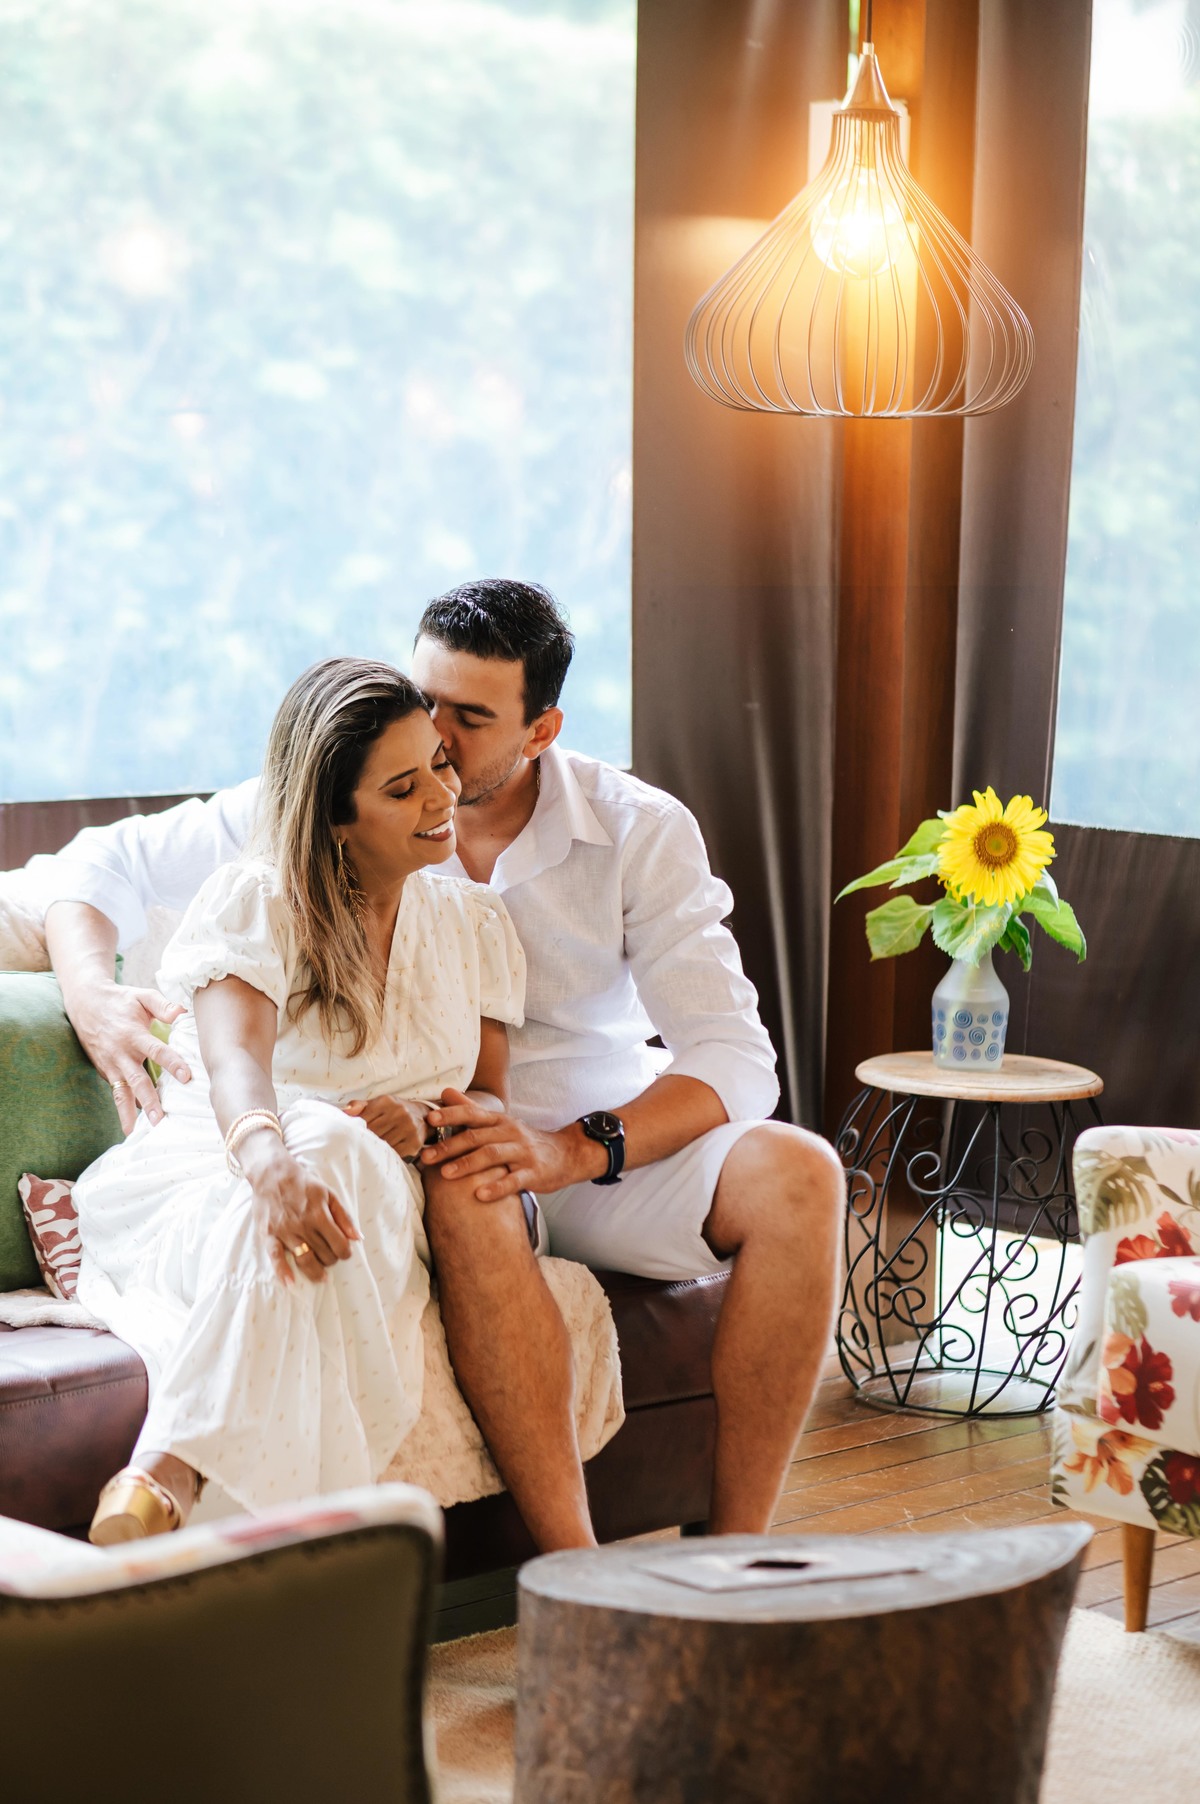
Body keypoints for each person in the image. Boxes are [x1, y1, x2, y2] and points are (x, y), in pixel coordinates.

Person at [30, 580, 844, 1536]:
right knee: (460, 1173)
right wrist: (91, 996)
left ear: (542, 731)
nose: (438, 742)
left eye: (470, 718)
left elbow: (734, 1056)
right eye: (428, 700)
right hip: (432, 1149)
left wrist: (574, 1149)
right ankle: (562, 1565)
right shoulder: (344, 775)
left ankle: (737, 1559)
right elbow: (100, 865)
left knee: (802, 1173)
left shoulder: (635, 829)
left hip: (590, 1153)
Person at [72, 658, 593, 1549]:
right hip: (224, 1168)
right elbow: (234, 1061)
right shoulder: (259, 899)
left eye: (439, 763)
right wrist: (271, 1163)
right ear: (335, 821)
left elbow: (486, 1098)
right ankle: (221, 1527)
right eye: (402, 787)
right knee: (324, 1139)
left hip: (380, 1194)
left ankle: (167, 1475)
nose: (442, 795)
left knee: (344, 1148)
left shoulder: (473, 924)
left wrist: (423, 1120)